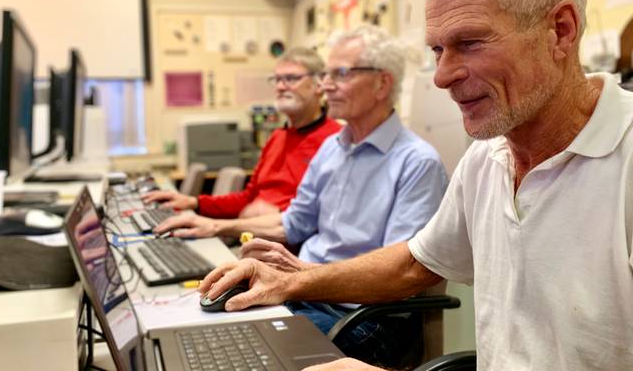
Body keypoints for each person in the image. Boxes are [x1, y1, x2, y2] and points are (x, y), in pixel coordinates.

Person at [197, 0, 633, 370]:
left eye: (469, 43)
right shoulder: (488, 159)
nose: (441, 76)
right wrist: (294, 279)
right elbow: (415, 263)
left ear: (561, 31)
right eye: (438, 49)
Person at [156, 25, 448, 364]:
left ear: (382, 83)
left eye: (340, 74)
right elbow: (294, 223)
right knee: (203, 327)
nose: (325, 85)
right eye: (325, 74)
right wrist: (217, 227)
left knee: (238, 345)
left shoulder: (416, 162)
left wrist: (301, 277)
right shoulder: (331, 148)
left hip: (363, 317)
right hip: (306, 292)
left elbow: (399, 276)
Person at [144, 47, 341, 219]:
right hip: (255, 239)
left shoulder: (337, 141)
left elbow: (332, 214)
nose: (280, 87)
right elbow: (247, 198)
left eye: (291, 78)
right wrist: (194, 202)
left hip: (293, 252)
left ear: (319, 84)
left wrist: (280, 214)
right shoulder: (277, 138)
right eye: (277, 79)